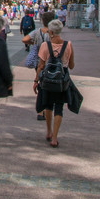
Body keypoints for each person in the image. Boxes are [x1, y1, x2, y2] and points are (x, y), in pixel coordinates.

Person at [33, 19, 75, 148]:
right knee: (59, 107)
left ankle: (49, 132)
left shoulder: (45, 45)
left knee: (48, 106)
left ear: (51, 32)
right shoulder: (68, 45)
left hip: (47, 80)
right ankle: (55, 138)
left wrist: (36, 81)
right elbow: (72, 66)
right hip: (62, 81)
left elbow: (40, 66)